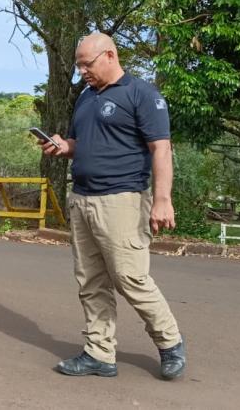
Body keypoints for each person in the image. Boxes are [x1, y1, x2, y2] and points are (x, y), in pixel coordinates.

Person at [40, 32, 186, 380]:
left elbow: (160, 149)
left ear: (109, 55)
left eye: (86, 65)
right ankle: (99, 353)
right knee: (90, 281)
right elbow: (84, 143)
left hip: (122, 199)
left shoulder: (142, 94)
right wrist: (64, 146)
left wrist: (162, 200)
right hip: (83, 199)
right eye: (78, 66)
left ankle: (171, 344)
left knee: (131, 278)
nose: (82, 73)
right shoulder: (87, 98)